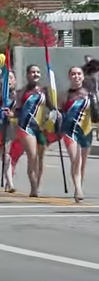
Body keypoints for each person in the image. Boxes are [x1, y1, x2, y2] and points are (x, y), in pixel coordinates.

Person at [3, 65, 57, 197]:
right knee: (32, 157)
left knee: (40, 158)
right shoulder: (21, 92)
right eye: (32, 72)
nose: (35, 74)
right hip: (26, 127)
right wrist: (11, 114)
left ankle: (38, 184)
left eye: (38, 72)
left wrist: (56, 115)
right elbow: (18, 111)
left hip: (41, 128)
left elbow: (51, 107)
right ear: (27, 75)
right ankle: (33, 188)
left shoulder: (44, 91)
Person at [60, 66, 99, 202]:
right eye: (73, 74)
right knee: (76, 159)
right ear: (69, 77)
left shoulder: (90, 94)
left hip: (86, 130)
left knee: (82, 164)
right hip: (70, 131)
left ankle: (79, 184)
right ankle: (78, 189)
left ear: (82, 77)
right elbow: (59, 112)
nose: (76, 76)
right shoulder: (65, 95)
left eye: (78, 74)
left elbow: (96, 114)